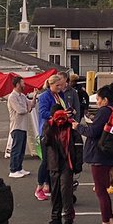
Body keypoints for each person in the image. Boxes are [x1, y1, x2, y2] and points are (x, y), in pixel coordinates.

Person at [82, 85, 113, 224]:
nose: (97, 102)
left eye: (98, 99)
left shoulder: (104, 111)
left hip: (99, 155)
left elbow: (93, 132)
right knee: (103, 190)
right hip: (109, 153)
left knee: (100, 191)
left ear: (105, 100)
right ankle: (111, 222)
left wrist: (78, 127)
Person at [34, 73, 72, 202]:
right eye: (58, 85)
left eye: (61, 85)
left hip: (58, 130)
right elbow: (43, 112)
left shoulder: (59, 95)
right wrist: (58, 114)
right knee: (46, 160)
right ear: (51, 85)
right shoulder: (45, 96)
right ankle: (39, 186)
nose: (60, 87)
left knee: (54, 160)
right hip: (47, 131)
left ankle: (47, 185)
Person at [41, 109, 80, 224]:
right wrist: (50, 127)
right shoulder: (49, 126)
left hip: (67, 163)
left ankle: (68, 221)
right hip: (54, 163)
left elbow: (79, 147)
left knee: (66, 192)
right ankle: (56, 219)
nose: (60, 121)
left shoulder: (71, 127)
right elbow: (46, 142)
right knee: (55, 191)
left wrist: (78, 164)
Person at [6, 76, 34, 178]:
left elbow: (30, 104)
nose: (24, 85)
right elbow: (20, 110)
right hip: (16, 127)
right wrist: (28, 108)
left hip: (23, 126)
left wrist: (34, 99)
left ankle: (19, 168)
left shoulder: (22, 96)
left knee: (21, 149)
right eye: (23, 83)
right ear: (17, 84)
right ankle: (13, 170)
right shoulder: (12, 97)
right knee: (16, 149)